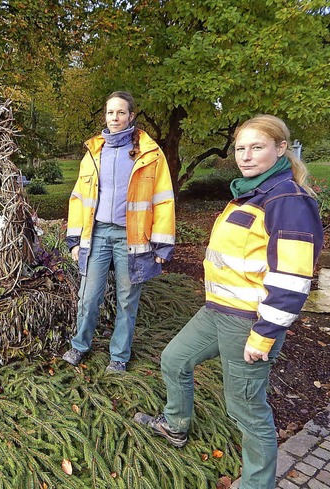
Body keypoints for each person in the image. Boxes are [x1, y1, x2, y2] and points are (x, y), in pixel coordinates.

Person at [134, 115, 324, 489]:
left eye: (257, 147)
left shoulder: (287, 200)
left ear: (281, 148)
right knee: (174, 360)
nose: (246, 156)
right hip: (216, 312)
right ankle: (175, 426)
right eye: (240, 148)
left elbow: (292, 278)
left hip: (248, 323)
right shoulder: (251, 192)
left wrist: (264, 334)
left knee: (247, 411)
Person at [62, 91, 175, 373]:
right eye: (110, 112)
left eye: (121, 113)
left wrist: (161, 244)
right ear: (105, 116)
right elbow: (79, 197)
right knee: (88, 297)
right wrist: (75, 240)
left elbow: (163, 198)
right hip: (97, 233)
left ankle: (119, 356)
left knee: (127, 300)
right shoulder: (93, 151)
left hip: (131, 238)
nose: (115, 118)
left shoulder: (150, 153)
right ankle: (79, 346)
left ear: (131, 116)